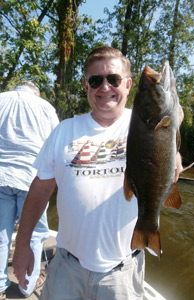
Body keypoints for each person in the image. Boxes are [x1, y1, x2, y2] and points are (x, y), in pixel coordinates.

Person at [13, 47, 183, 300]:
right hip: (67, 267)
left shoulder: (143, 122)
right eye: (96, 80)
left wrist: (175, 153)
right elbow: (39, 190)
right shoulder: (64, 130)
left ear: (127, 85)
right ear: (86, 86)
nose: (105, 87)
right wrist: (23, 244)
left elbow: (169, 160)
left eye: (113, 79)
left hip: (122, 271)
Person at [0, 81, 59, 299]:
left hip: (0, 178)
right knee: (35, 234)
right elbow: (56, 142)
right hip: (31, 180)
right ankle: (28, 285)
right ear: (36, 92)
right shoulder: (45, 107)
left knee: (1, 235)